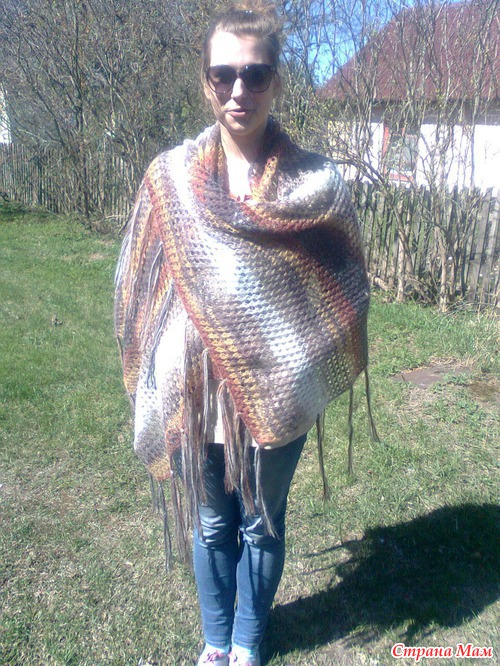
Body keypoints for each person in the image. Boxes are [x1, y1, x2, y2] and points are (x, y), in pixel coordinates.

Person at [114, 2, 371, 665]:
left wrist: (303, 357)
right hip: (194, 386)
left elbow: (346, 287)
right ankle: (215, 641)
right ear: (205, 81)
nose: (238, 90)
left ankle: (248, 642)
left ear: (275, 82)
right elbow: (139, 282)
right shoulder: (170, 178)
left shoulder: (316, 184)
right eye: (223, 74)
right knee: (210, 522)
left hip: (277, 390)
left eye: (254, 74)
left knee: (260, 523)